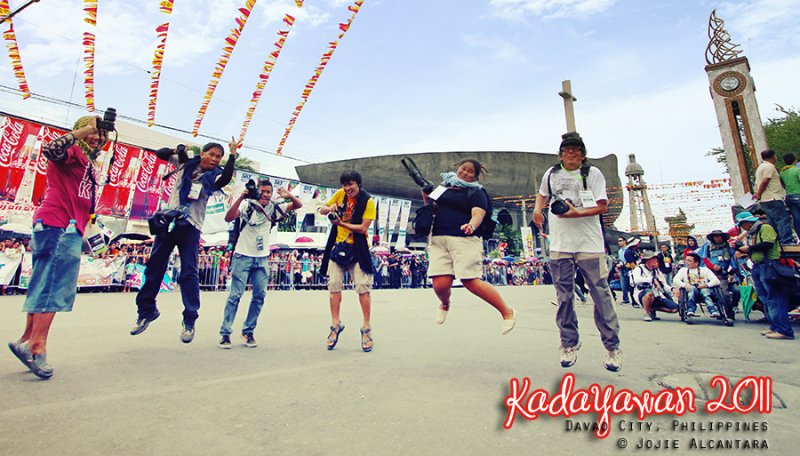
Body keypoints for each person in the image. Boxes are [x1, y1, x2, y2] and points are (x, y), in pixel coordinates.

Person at [8, 115, 107, 379]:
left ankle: (26, 339)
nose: (97, 137)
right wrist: (85, 130)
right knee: (55, 285)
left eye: (100, 134)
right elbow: (51, 149)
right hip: (61, 224)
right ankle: (36, 346)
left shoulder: (87, 159)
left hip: (61, 224)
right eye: (92, 132)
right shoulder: (71, 149)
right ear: (80, 130)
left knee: (43, 283)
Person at [131, 139, 238, 343]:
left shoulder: (214, 177)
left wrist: (232, 155)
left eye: (219, 157)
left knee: (189, 272)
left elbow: (225, 179)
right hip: (170, 220)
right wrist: (177, 150)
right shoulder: (185, 163)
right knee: (154, 267)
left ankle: (189, 319)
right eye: (212, 154)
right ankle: (146, 311)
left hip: (191, 225)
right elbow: (159, 152)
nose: (215, 159)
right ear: (203, 153)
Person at [533, 132, 621, 372]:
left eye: (576, 150)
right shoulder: (551, 174)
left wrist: (575, 213)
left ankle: (612, 347)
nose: (571, 153)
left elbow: (601, 206)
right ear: (560, 154)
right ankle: (568, 343)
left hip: (589, 244)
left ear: (583, 155)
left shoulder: (592, 174)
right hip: (560, 244)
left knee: (600, 295)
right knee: (564, 297)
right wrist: (538, 210)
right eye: (567, 150)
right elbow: (542, 193)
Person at [424, 158, 517, 334]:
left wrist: (471, 225)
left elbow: (478, 213)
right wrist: (426, 195)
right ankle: (445, 303)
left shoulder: (476, 192)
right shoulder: (443, 187)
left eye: (470, 171)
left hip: (464, 239)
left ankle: (507, 312)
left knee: (471, 281)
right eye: (463, 168)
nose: (465, 173)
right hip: (439, 238)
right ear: (457, 168)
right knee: (440, 285)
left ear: (475, 176)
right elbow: (432, 207)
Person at [218, 179, 302, 349]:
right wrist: (242, 198)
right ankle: (225, 333)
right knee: (235, 296)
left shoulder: (273, 207)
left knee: (259, 296)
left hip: (262, 257)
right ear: (257, 192)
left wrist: (288, 195)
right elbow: (228, 218)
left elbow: (297, 205)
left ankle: (248, 331)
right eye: (262, 191)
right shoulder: (247, 205)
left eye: (268, 192)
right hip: (243, 255)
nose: (265, 195)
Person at [318, 171, 377, 352]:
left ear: (358, 184)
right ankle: (335, 325)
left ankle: (366, 328)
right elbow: (321, 209)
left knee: (362, 288)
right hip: (338, 247)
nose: (347, 188)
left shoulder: (368, 201)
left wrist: (341, 224)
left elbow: (363, 228)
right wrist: (330, 208)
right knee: (334, 286)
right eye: (344, 185)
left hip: (358, 248)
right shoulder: (340, 195)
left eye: (350, 184)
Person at [733, 211, 794, 339]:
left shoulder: (764, 227)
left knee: (775, 298)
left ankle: (784, 330)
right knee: (766, 298)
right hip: (757, 266)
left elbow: (767, 244)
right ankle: (775, 326)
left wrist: (749, 249)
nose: (743, 227)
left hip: (769, 265)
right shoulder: (752, 233)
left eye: (743, 224)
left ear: (748, 222)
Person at [754, 149, 795, 245]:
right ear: (773, 156)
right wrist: (759, 194)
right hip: (773, 197)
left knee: (772, 221)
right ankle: (786, 241)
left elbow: (759, 183)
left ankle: (776, 241)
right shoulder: (769, 166)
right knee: (783, 219)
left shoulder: (760, 167)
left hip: (765, 199)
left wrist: (757, 193)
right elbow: (765, 181)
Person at [631, 251, 678, 322]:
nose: (655, 261)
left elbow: (664, 285)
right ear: (647, 260)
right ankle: (647, 313)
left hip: (657, 295)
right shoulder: (639, 269)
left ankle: (652, 308)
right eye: (653, 259)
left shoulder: (656, 271)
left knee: (675, 309)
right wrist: (652, 280)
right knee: (649, 293)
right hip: (642, 293)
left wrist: (672, 289)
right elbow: (636, 280)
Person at [672, 253, 721, 318]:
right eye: (686, 260)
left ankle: (713, 310)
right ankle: (691, 309)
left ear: (696, 263)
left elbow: (716, 281)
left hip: (704, 288)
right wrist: (684, 285)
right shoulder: (683, 270)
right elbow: (675, 280)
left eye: (689, 261)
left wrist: (706, 285)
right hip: (691, 289)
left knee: (705, 292)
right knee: (692, 290)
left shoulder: (705, 270)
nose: (686, 262)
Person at [779, 152, 800, 241]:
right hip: (798, 195)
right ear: (795, 160)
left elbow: (783, 185)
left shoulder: (782, 172)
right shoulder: (797, 170)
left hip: (789, 197)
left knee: (796, 219)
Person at [615, 237, 631, 304]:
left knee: (631, 284)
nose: (619, 242)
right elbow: (620, 259)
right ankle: (625, 299)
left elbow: (628, 260)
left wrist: (623, 263)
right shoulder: (619, 251)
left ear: (625, 241)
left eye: (621, 241)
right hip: (622, 268)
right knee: (623, 285)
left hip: (628, 268)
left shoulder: (628, 250)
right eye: (618, 241)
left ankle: (634, 299)